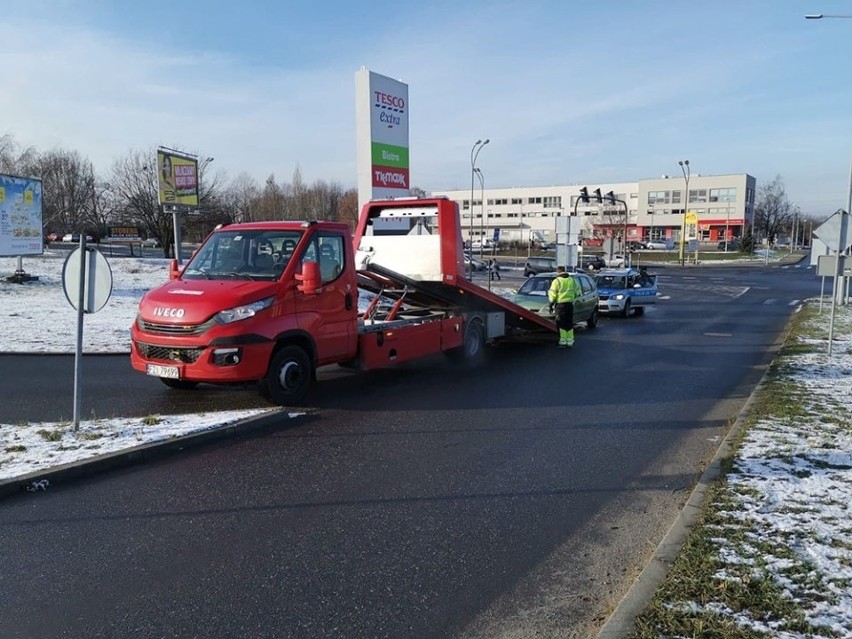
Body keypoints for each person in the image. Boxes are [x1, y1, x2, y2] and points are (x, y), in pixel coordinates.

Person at [548, 265, 581, 348]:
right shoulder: (572, 280)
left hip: (560, 305)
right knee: (569, 322)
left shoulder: (557, 281)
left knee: (561, 323)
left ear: (558, 271)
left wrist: (551, 303)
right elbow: (578, 293)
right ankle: (570, 341)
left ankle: (562, 341)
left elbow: (553, 293)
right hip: (570, 304)